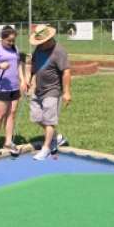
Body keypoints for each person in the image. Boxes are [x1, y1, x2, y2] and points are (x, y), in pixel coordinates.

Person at [28, 24, 71, 161]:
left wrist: (66, 92)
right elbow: (34, 66)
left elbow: (66, 72)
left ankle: (46, 148)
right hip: (38, 89)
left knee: (49, 120)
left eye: (42, 41)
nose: (40, 44)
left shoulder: (59, 51)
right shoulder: (39, 48)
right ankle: (57, 137)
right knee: (36, 117)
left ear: (49, 39)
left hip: (53, 90)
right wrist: (30, 81)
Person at [0, 26, 26, 152]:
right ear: (2, 38)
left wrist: (23, 79)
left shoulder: (14, 49)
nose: (11, 43)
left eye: (13, 41)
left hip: (14, 87)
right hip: (0, 87)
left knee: (12, 114)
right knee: (0, 115)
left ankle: (8, 142)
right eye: (9, 41)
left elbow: (17, 65)